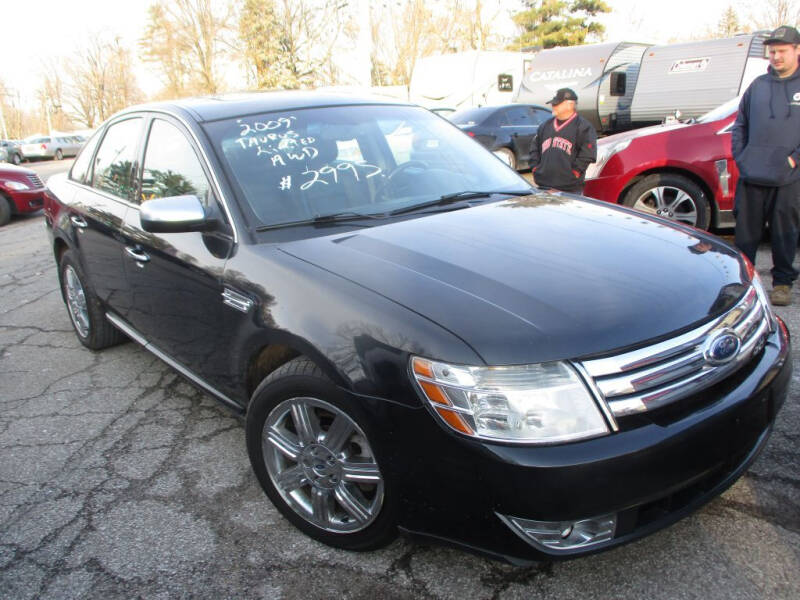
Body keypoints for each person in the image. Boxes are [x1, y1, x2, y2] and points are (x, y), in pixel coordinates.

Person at [732, 25, 800, 306]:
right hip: (752, 175)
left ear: (797, 50)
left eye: (782, 51)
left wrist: (794, 159)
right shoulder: (757, 86)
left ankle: (782, 283)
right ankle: (743, 281)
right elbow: (740, 125)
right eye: (772, 51)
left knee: (784, 234)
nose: (776, 56)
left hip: (788, 177)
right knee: (746, 234)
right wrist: (742, 157)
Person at [529, 88, 597, 193]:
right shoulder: (545, 126)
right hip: (544, 187)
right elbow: (534, 150)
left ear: (570, 105)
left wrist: (574, 173)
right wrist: (536, 169)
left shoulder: (583, 127)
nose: (553, 106)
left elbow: (588, 155)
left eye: (557, 104)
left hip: (569, 190)